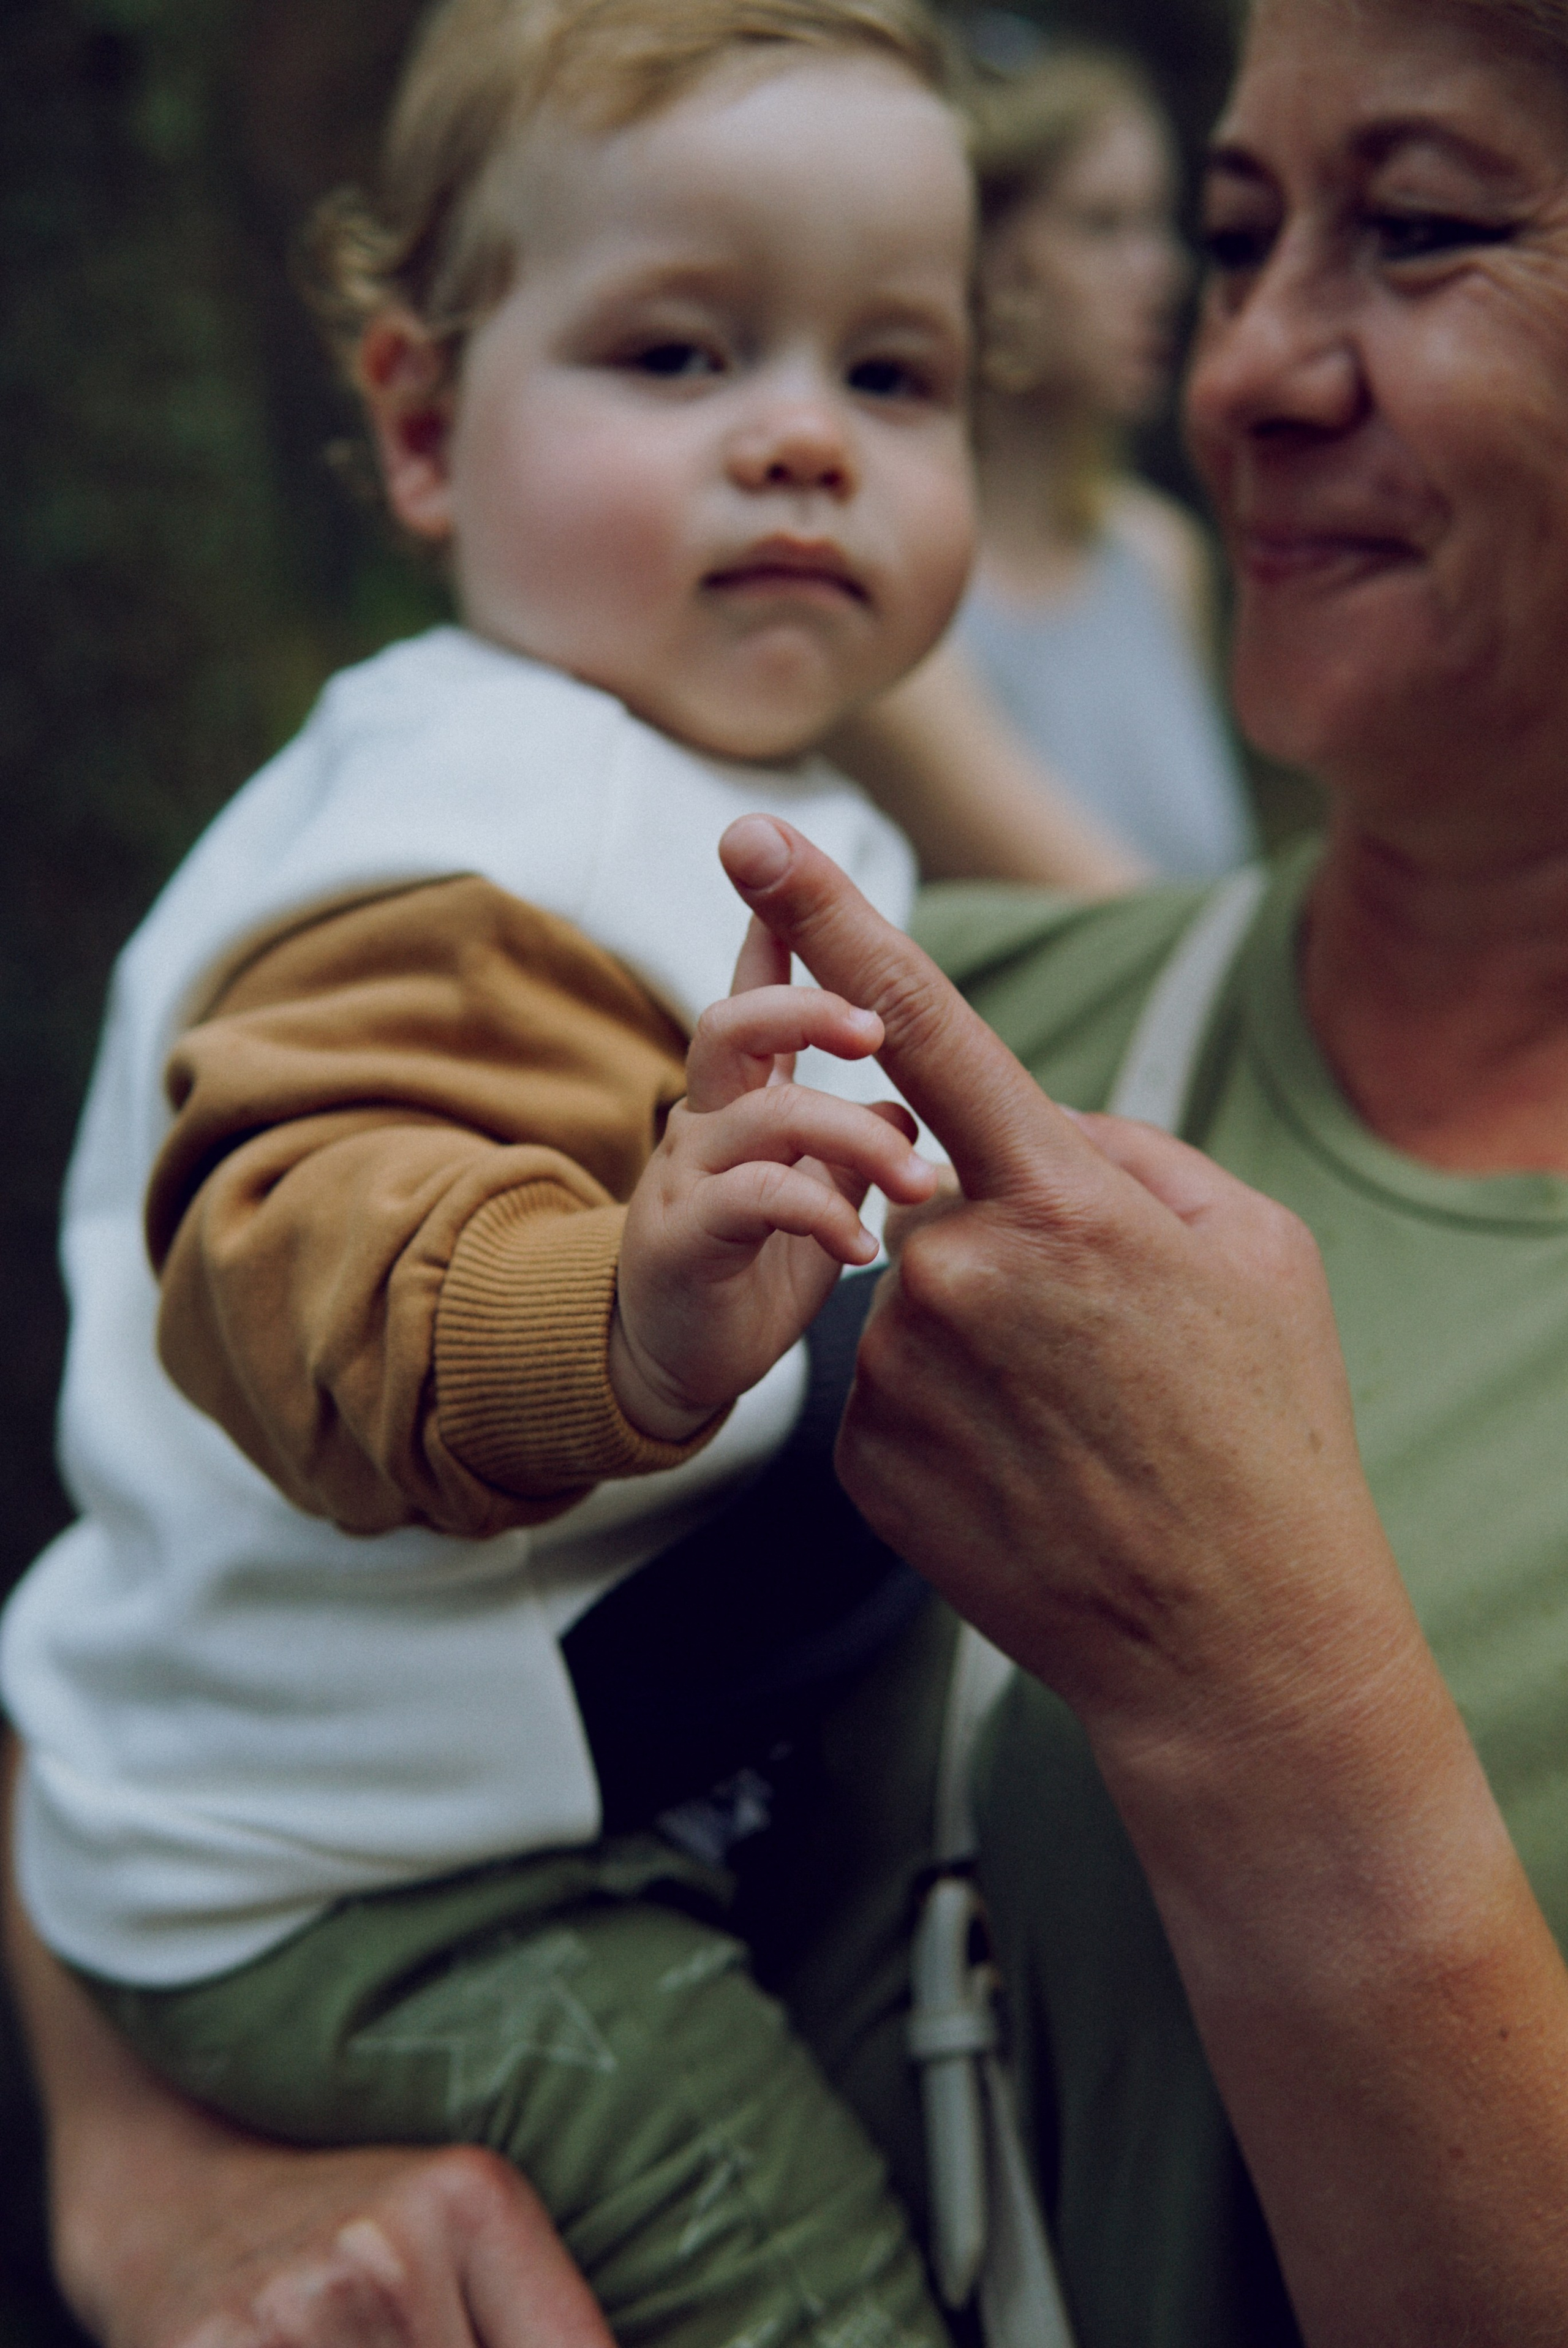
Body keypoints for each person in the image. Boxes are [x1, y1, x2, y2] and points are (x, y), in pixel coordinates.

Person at [15, 0, 1568, 2342]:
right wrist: (138, 2185)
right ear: (420, 422)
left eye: (898, 378)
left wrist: (1275, 1705)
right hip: (425, 1894)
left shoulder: (747, 900)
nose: (1244, 365)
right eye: (1229, 241)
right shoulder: (551, 866)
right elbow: (268, 1284)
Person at [0, 3, 988, 2343]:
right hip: (372, 1886)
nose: (798, 442)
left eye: (897, 374)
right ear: (425, 425)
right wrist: (617, 1308)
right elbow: (300, 1235)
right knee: (793, 2279)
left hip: (478, 1808)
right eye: (677, 351)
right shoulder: (471, 829)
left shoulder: (679, 799)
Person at [833, 45, 1258, 889]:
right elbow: (1112, 917)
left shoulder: (1157, 555)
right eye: (1104, 225)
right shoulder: (888, 593)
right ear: (985, 262)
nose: (1164, 275)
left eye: (1161, 225)